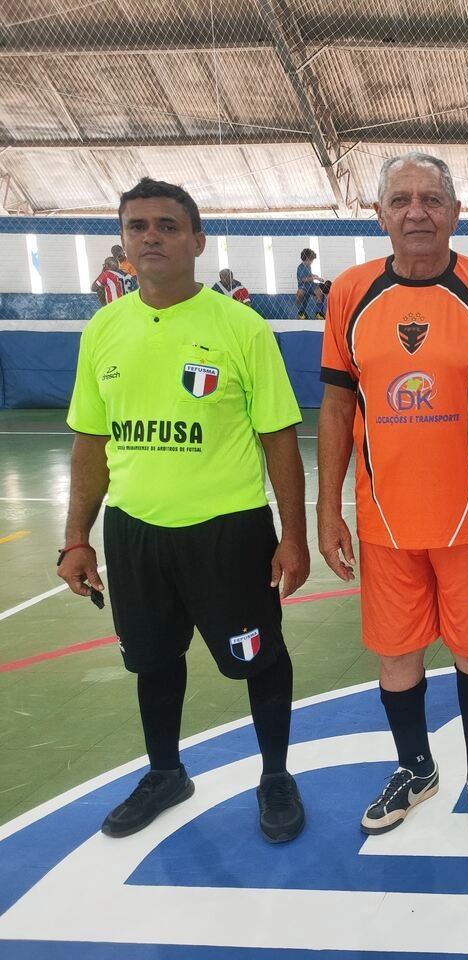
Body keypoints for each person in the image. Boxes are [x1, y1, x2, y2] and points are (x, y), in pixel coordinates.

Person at [58, 177, 310, 844]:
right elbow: (90, 442)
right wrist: (75, 540)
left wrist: (294, 535)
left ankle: (276, 775)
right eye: (137, 226)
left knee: (259, 659)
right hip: (136, 533)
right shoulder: (104, 330)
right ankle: (166, 772)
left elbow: (278, 436)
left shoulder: (240, 327)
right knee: (152, 659)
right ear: (123, 243)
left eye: (167, 226)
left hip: (228, 534)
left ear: (197, 241)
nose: (151, 237)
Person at [317, 153, 468, 844]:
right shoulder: (349, 292)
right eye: (401, 199)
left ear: (454, 213)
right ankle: (416, 769)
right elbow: (333, 406)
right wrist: (328, 509)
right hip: (384, 524)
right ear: (380, 213)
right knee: (396, 656)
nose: (417, 211)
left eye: (431, 199)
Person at [296, 248, 328, 320]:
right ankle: (301, 312)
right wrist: (315, 278)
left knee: (319, 292)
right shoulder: (300, 267)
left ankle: (318, 313)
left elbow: (309, 275)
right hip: (303, 286)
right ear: (306, 259)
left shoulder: (309, 266)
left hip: (311, 285)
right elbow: (303, 279)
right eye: (311, 260)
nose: (311, 262)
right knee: (300, 293)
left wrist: (316, 276)